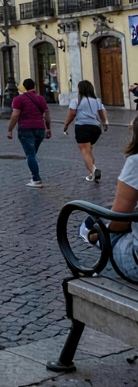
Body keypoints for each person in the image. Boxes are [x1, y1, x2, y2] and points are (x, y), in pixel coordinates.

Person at [75, 117, 138, 285]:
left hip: (136, 263)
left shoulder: (136, 162)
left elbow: (118, 222)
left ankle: (92, 237)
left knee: (91, 225)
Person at [7, 77, 51, 188]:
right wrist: (48, 128)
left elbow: (15, 115)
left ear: (24, 87)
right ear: (34, 86)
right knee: (33, 154)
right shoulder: (41, 99)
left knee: (30, 155)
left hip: (25, 128)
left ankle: (36, 179)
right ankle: (33, 175)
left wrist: (10, 129)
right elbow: (47, 114)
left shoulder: (18, 99)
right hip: (40, 128)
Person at [63, 79, 108, 182]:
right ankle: (91, 172)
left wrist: (66, 125)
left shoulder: (76, 101)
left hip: (82, 127)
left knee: (84, 151)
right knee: (89, 150)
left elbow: (72, 114)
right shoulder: (97, 101)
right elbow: (102, 112)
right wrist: (105, 123)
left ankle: (93, 170)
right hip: (96, 128)